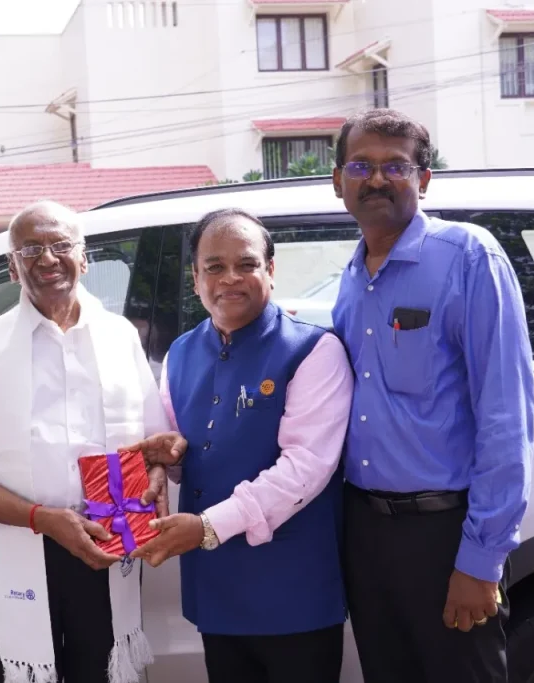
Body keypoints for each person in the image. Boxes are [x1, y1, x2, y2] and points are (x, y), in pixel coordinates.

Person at [329, 108, 534, 683]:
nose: (376, 179)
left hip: (445, 534)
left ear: (423, 178)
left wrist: (481, 559)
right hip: (366, 535)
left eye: (396, 166)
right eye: (360, 165)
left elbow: (506, 416)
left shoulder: (469, 257)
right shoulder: (348, 280)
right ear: (337, 180)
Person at [128, 208, 354, 683]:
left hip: (293, 592)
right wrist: (166, 460)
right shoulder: (182, 353)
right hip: (218, 590)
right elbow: (185, 450)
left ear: (269, 270)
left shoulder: (314, 351)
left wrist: (207, 527)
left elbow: (306, 467)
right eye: (214, 266)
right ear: (195, 279)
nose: (230, 278)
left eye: (246, 264)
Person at [0, 200, 175, 683]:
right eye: (30, 249)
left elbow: (155, 447)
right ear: (13, 267)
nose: (47, 259)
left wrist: (154, 475)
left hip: (109, 543)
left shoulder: (119, 336)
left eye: (60, 245)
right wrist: (45, 520)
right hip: (22, 542)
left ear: (85, 257)